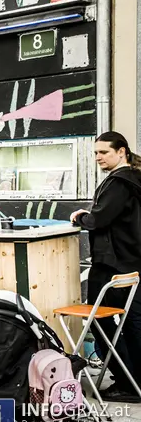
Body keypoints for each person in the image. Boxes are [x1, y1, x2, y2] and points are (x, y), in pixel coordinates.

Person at [70, 131, 141, 401]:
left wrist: (82, 217)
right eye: (96, 153)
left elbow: (100, 220)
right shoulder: (133, 178)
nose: (98, 157)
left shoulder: (119, 182)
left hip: (112, 264)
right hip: (132, 262)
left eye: (104, 152)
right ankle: (135, 380)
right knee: (132, 322)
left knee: (99, 322)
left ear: (121, 151)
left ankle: (127, 381)